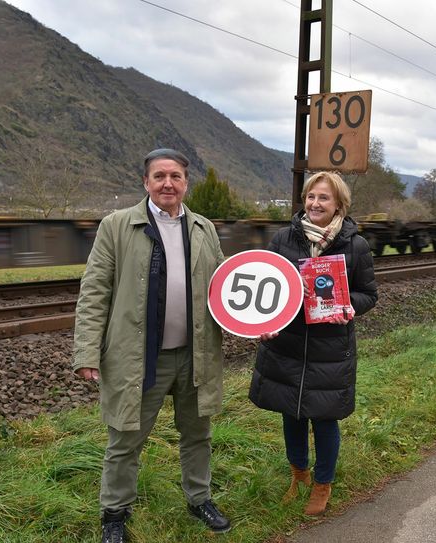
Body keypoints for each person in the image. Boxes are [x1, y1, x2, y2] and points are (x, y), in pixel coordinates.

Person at [73, 148, 231, 543]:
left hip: (194, 355)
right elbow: (94, 292)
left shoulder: (203, 228)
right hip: (139, 358)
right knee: (125, 438)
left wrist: (259, 322)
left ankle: (199, 499)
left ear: (186, 183)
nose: (167, 183)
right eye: (159, 176)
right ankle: (114, 514)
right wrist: (87, 352)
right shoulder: (117, 226)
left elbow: (226, 287)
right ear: (146, 182)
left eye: (175, 176)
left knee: (198, 434)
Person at [248, 171, 378, 516]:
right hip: (287, 344)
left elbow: (368, 294)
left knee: (324, 418)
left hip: (329, 349)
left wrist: (348, 306)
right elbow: (266, 285)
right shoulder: (283, 239)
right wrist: (265, 322)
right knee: (291, 415)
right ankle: (299, 475)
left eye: (323, 198)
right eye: (311, 196)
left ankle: (323, 484)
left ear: (339, 205)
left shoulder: (355, 246)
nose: (315, 203)